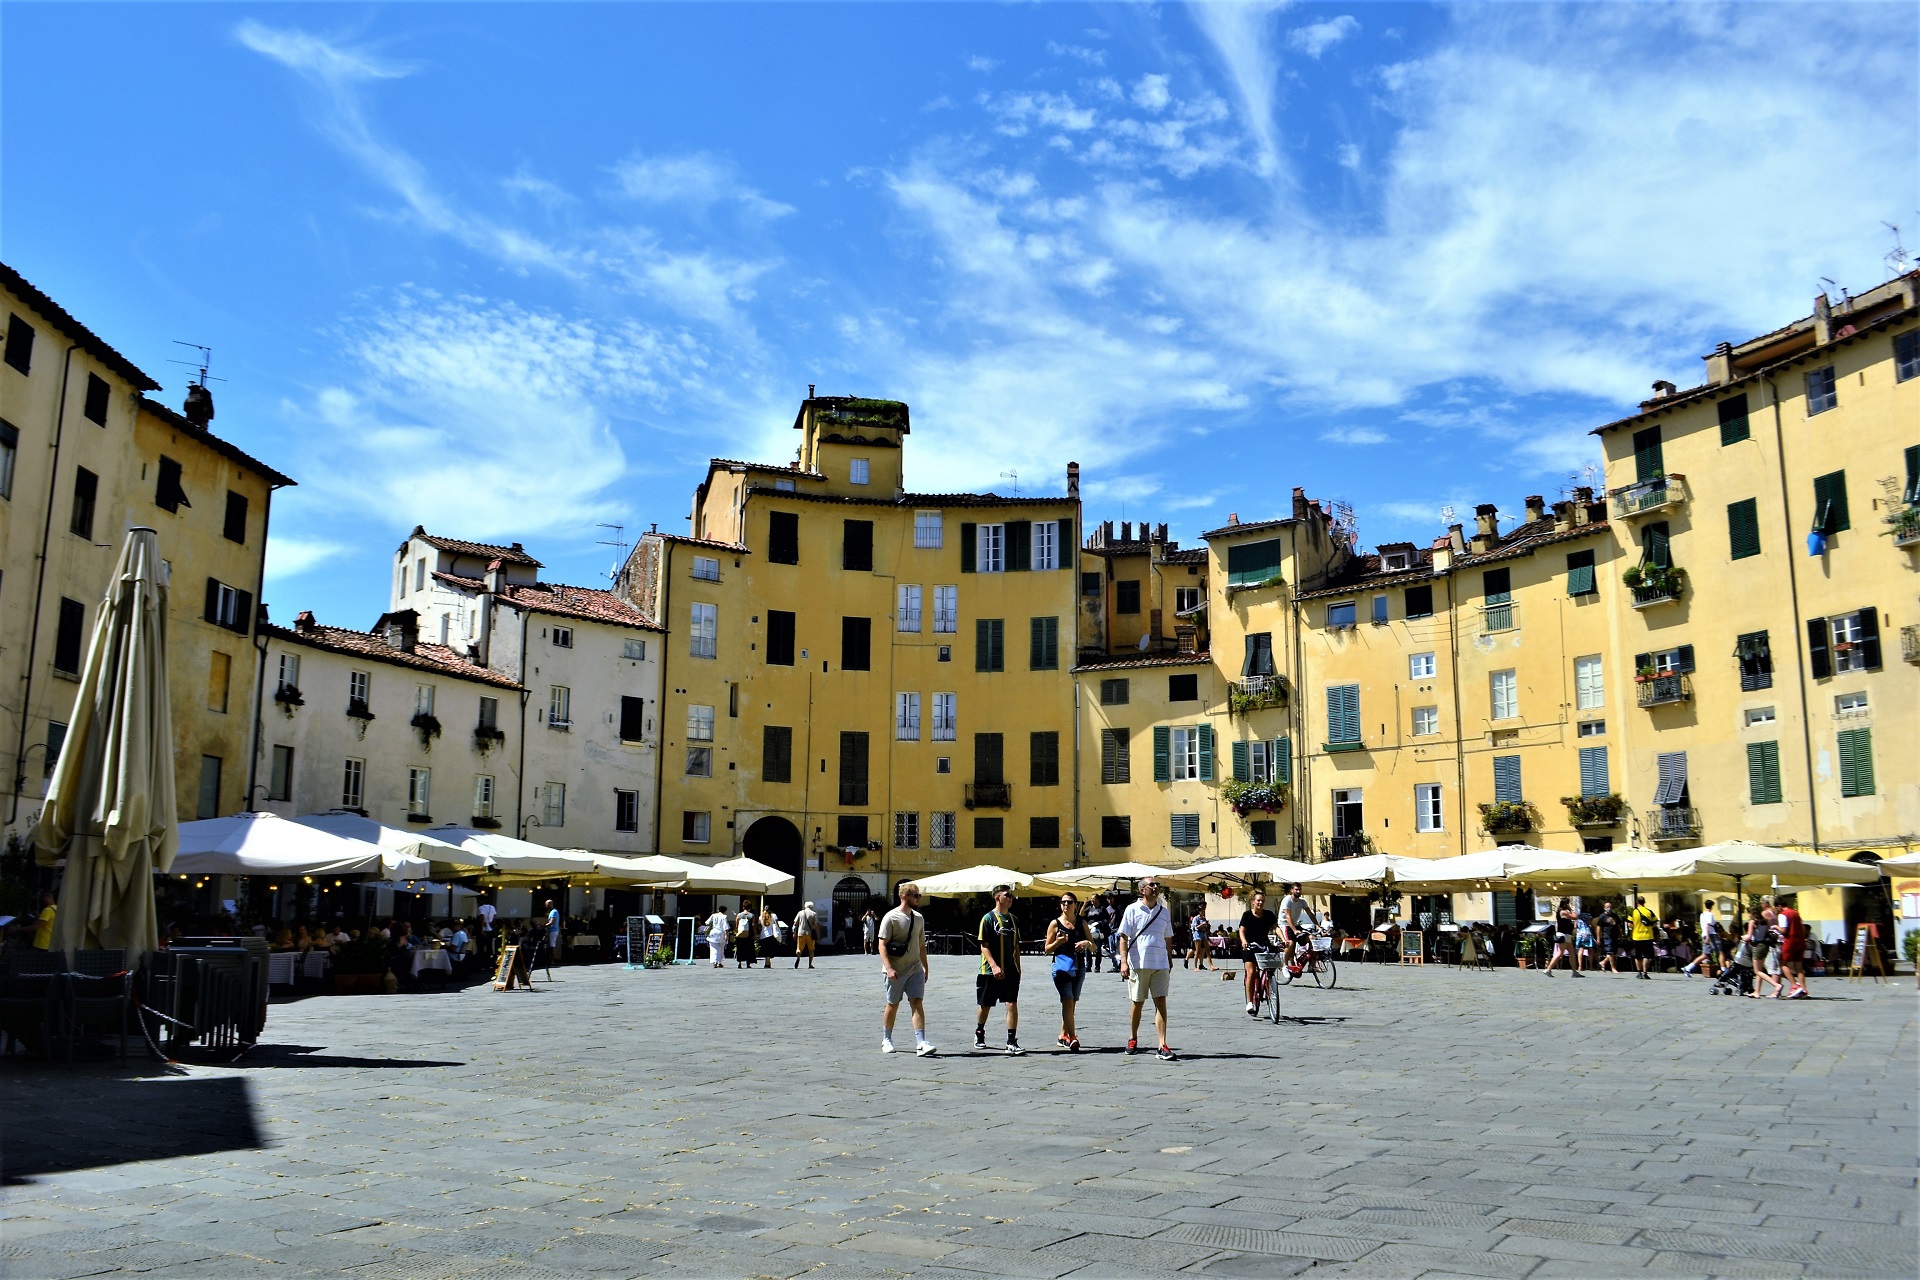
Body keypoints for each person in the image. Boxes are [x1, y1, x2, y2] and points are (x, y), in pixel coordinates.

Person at [1117, 877, 1176, 1060]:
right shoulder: (1132, 909)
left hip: (1160, 964)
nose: (1156, 887)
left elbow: (1168, 938)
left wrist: (1169, 958)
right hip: (1139, 963)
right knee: (1138, 1002)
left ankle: (1162, 1043)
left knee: (1161, 1003)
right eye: (1151, 885)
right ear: (1143, 890)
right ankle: (1133, 1037)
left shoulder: (1163, 912)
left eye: (1157, 884)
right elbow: (1124, 937)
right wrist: (1124, 962)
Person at [879, 882, 936, 1056]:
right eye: (916, 895)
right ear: (905, 896)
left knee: (917, 1002)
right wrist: (888, 968)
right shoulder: (891, 917)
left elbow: (921, 945)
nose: (919, 898)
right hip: (895, 969)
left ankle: (921, 1042)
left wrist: (925, 967)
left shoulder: (918, 918)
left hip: (914, 969)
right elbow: (882, 944)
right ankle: (886, 1039)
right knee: (893, 1004)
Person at [974, 886, 1024, 1054]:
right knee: (986, 1005)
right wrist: (994, 966)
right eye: (1007, 895)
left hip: (1010, 971)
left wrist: (1018, 968)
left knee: (1011, 1004)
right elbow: (984, 946)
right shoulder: (987, 919)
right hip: (989, 971)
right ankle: (979, 1032)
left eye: (1011, 895)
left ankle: (1011, 1041)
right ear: (997, 898)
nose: (1011, 898)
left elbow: (1016, 947)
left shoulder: (1014, 920)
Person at [1045, 891, 1094, 1051]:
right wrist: (1058, 942)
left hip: (1079, 967)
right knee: (1067, 999)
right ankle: (1072, 1037)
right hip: (1061, 967)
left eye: (1070, 902)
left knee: (1072, 1002)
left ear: (1075, 904)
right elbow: (1047, 949)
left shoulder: (1081, 922)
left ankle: (1062, 1035)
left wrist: (1086, 943)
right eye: (1063, 902)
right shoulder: (1055, 923)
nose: (1066, 905)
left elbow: (1094, 946)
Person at [1239, 891, 1279, 1016]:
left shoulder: (1269, 915)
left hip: (1263, 945)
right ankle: (1250, 1002)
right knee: (1251, 972)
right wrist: (1244, 941)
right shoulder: (1247, 915)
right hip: (1250, 946)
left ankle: (1269, 982)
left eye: (1262, 900)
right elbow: (1241, 930)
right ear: (1253, 902)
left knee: (1272, 964)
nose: (1260, 903)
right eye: (1258, 900)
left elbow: (1276, 928)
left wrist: (1284, 939)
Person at [1278, 883, 1319, 974]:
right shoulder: (1287, 900)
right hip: (1285, 924)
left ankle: (1312, 965)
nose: (1298, 891)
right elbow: (1288, 917)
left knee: (1312, 938)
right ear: (1291, 890)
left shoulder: (1302, 901)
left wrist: (1317, 925)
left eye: (1300, 890)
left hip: (1296, 924)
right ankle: (1284, 965)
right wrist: (1294, 930)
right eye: (1296, 889)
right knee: (1290, 943)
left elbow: (1310, 913)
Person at [1776, 900, 1808, 998]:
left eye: (1777, 907)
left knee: (1783, 964)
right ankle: (1804, 989)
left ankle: (1794, 985)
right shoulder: (1796, 913)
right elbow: (1803, 928)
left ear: (1779, 906)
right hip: (1800, 941)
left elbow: (1784, 930)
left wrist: (1776, 927)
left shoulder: (1783, 915)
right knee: (1798, 966)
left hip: (1790, 941)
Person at [1748, 907, 1783, 998]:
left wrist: (1742, 937)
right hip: (1765, 946)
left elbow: (1749, 936)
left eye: (1749, 913)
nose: (1748, 915)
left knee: (1757, 971)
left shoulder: (1752, 922)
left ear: (1752, 914)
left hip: (1757, 946)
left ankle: (1776, 985)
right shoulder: (1764, 922)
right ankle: (1757, 992)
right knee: (1760, 970)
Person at [1627, 895, 1660, 979]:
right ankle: (1645, 972)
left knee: (1638, 956)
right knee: (1647, 956)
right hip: (1648, 936)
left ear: (1637, 902)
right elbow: (1655, 923)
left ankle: (1639, 972)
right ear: (1644, 902)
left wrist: (1636, 926)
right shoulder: (1649, 911)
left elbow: (1630, 924)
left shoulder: (1633, 912)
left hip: (1637, 936)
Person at [1682, 904, 1719, 977]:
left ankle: (1688, 968)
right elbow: (1707, 925)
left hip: (1705, 934)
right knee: (1719, 952)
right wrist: (1708, 936)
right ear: (1711, 906)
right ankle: (1724, 970)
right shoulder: (1710, 914)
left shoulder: (1702, 915)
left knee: (1705, 955)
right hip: (1710, 935)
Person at [1542, 899, 1577, 976]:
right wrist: (1571, 910)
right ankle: (1548, 969)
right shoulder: (1563, 912)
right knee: (1560, 953)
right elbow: (1575, 917)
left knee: (1572, 953)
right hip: (1563, 935)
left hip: (1567, 935)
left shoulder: (1562, 911)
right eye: (1568, 903)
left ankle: (1574, 971)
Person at [1595, 901, 1621, 974]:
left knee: (1612, 952)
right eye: (1607, 907)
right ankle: (1613, 968)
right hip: (1607, 936)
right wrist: (1598, 938)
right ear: (1604, 908)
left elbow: (1618, 926)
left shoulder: (1615, 916)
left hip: (1615, 936)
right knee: (1610, 952)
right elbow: (1598, 928)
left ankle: (1603, 962)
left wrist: (1621, 935)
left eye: (1610, 907)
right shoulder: (1602, 917)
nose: (1609, 908)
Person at [792, 901, 820, 969]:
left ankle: (798, 957)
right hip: (810, 934)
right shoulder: (813, 913)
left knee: (799, 949)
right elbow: (816, 925)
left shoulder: (800, 913)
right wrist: (818, 934)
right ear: (812, 907)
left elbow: (795, 923)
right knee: (811, 950)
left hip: (800, 933)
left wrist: (794, 932)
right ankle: (810, 964)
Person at [1189, 906, 1215, 973]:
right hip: (1198, 935)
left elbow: (1205, 926)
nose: (1203, 912)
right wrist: (1202, 925)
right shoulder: (1196, 918)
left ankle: (1211, 965)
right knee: (1198, 951)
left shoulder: (1204, 918)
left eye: (1204, 911)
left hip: (1204, 934)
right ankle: (1195, 967)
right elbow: (1195, 928)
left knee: (1207, 950)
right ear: (1199, 911)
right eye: (1202, 911)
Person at [734, 904, 757, 968]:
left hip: (740, 933)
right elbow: (753, 925)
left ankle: (739, 963)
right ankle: (748, 963)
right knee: (749, 948)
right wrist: (755, 934)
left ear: (743, 907)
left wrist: (737, 933)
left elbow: (736, 925)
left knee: (740, 948)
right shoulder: (752, 915)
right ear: (750, 907)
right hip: (749, 934)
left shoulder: (739, 915)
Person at [544, 899, 562, 970]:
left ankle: (552, 960)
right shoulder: (552, 912)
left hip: (553, 930)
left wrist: (543, 926)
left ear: (550, 904)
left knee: (552, 945)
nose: (546, 906)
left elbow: (551, 922)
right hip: (552, 930)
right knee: (551, 945)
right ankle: (551, 959)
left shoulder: (553, 912)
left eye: (547, 905)